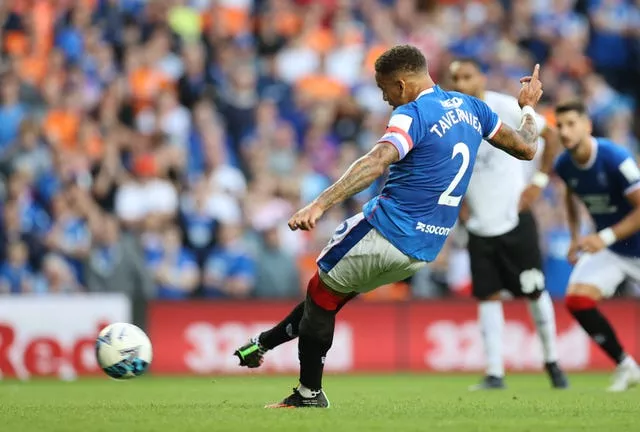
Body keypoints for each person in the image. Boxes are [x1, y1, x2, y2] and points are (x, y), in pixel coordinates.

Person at [234, 45, 543, 408]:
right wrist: (528, 107)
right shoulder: (472, 108)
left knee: (321, 292)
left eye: (385, 91)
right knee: (328, 294)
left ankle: (308, 394)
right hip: (426, 247)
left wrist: (320, 203)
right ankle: (264, 344)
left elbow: (377, 160)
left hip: (388, 228)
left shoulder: (412, 114)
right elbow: (526, 147)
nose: (385, 100)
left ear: (401, 83)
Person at [449, 58, 568, 390]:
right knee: (487, 297)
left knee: (535, 292)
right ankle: (494, 372)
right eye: (455, 78)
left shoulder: (503, 106)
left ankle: (553, 362)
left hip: (515, 218)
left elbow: (552, 134)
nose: (460, 83)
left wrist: (539, 182)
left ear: (481, 77)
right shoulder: (454, 119)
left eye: (467, 76)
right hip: (478, 225)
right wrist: (458, 203)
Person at [554, 99, 640, 392]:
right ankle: (626, 366)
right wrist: (576, 235)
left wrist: (602, 237)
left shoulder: (615, 157)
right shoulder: (564, 164)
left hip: (626, 243)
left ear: (587, 126)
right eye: (560, 125)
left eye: (571, 124)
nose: (564, 131)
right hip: (614, 248)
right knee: (577, 300)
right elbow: (570, 195)